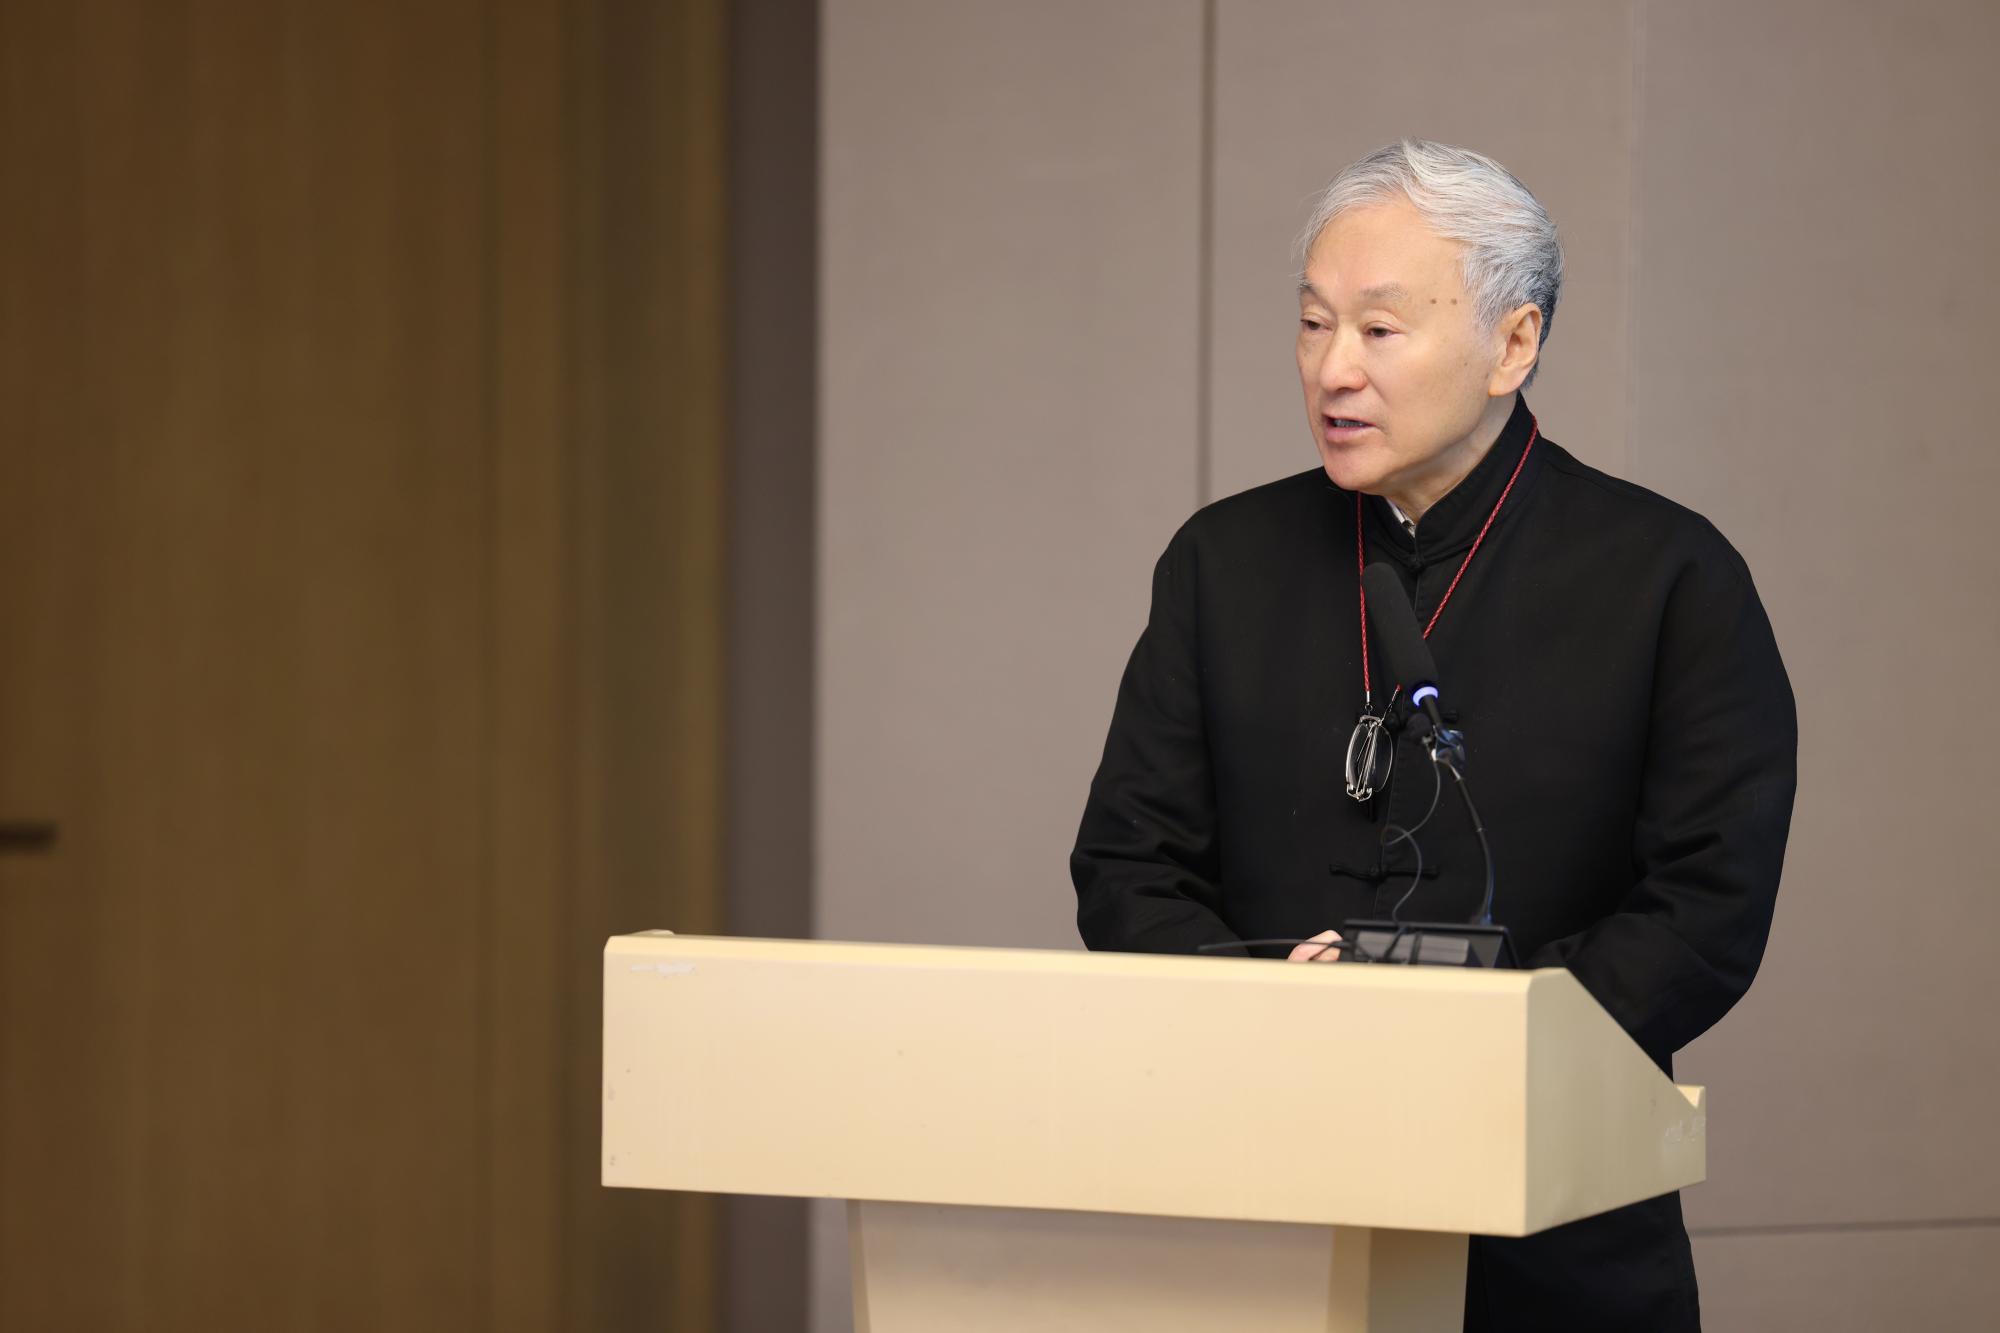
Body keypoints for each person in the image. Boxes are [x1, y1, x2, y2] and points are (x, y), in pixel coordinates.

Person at [1070, 138, 1796, 1331]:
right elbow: (1126, 865)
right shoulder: (1220, 563)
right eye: (1312, 324)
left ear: (1513, 344)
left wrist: (1485, 1038)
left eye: (1377, 328)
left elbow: (1705, 908)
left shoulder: (1667, 576)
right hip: (1264, 1188)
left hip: (1553, 1220)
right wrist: (1258, 1007)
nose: (1332, 369)